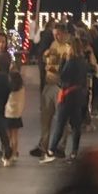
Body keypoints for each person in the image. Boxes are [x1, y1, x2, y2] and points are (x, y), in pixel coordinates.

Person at [44, 34, 89, 162]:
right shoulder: (83, 62)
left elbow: (63, 77)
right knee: (76, 125)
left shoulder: (71, 61)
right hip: (78, 95)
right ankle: (74, 151)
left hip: (67, 95)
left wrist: (59, 66)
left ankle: (51, 150)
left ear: (71, 47)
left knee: (60, 123)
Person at [32, 25, 67, 157]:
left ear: (64, 34)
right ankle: (43, 145)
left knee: (62, 118)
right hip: (49, 83)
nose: (56, 37)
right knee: (45, 117)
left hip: (59, 85)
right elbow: (47, 61)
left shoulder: (67, 48)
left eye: (59, 34)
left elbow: (64, 67)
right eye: (55, 34)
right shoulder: (53, 45)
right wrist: (45, 57)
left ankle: (60, 146)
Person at [5, 59, 25, 160]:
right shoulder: (21, 87)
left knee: (7, 136)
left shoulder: (7, 86)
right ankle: (14, 153)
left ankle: (7, 153)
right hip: (17, 113)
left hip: (7, 113)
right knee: (15, 136)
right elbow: (22, 100)